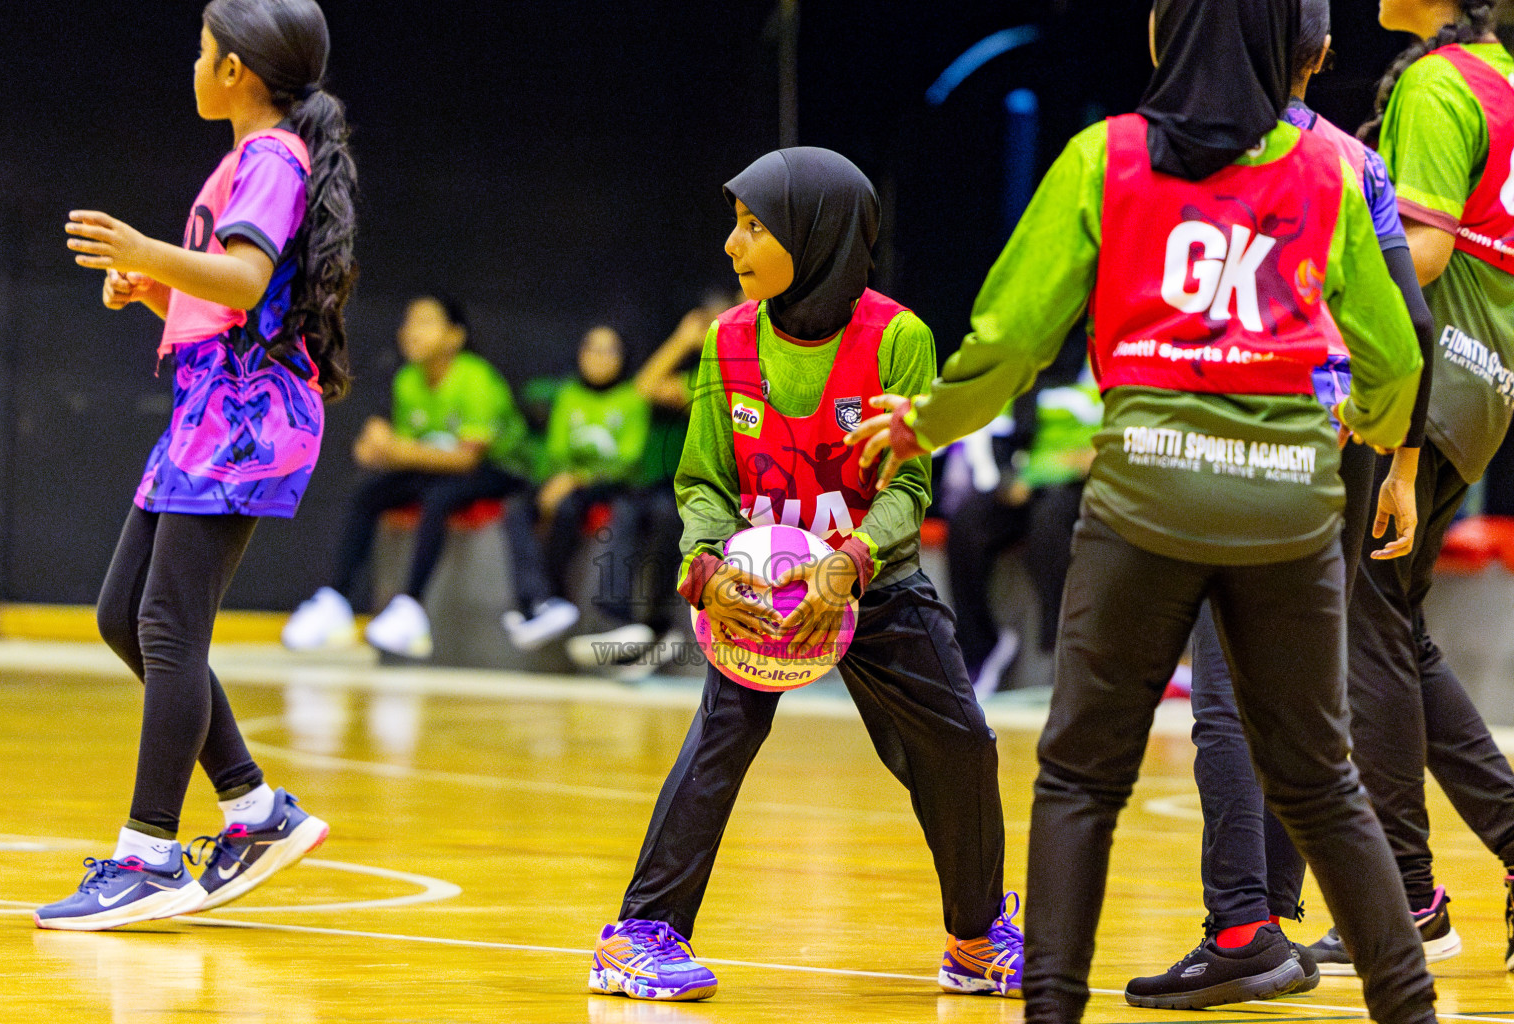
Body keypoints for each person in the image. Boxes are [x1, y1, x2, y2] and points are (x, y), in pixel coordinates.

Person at [850, 1, 1439, 1022]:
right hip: (1288, 516)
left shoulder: (1103, 158)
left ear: (1166, 40)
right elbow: (1395, 366)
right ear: (1287, 52)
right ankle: (1410, 1009)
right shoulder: (1332, 173)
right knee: (1321, 782)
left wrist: (930, 423)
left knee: (1080, 778)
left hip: (1142, 506)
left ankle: (1050, 1010)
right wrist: (1379, 432)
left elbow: (1010, 338)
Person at [588, 148, 1021, 1004]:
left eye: (754, 226)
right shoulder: (727, 340)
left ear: (819, 236)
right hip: (762, 587)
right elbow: (705, 480)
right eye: (736, 223)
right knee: (721, 739)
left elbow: (908, 483)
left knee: (961, 746)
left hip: (875, 578)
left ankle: (974, 939)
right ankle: (638, 937)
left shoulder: (898, 338)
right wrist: (705, 565)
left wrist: (853, 561)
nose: (731, 244)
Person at [1124, 0, 1444, 1006]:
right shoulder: (1357, 160)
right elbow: (1410, 321)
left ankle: (1244, 926)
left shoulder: (1178, 154)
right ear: (1324, 52)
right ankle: (1281, 920)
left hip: (1243, 445)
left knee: (1224, 689)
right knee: (1306, 689)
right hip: (1346, 445)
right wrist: (1398, 463)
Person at [37, 0, 357, 930]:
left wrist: (149, 251)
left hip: (243, 422)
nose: (194, 63)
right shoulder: (245, 158)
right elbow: (230, 305)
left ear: (238, 73)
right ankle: (256, 811)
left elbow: (249, 279)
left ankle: (149, 853)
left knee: (169, 628)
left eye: (202, 50)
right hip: (209, 413)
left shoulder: (269, 159)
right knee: (123, 618)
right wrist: (155, 284)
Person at [1293, 0, 1514, 975]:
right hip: (1490, 377)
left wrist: (1302, 299)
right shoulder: (1502, 72)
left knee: (1367, 627)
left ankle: (1410, 897)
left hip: (1431, 378)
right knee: (1394, 627)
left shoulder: (1436, 80)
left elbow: (1417, 258)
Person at [282, 294, 527, 658]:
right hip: (435, 471)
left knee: (439, 497)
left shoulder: (476, 378)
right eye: (408, 322)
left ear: (454, 336)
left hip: (500, 470)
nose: (412, 331)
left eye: (426, 322)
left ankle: (411, 608)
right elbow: (406, 449)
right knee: (371, 494)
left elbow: (465, 462)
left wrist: (395, 450)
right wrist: (376, 452)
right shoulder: (407, 379)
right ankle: (337, 601)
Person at [566, 297, 731, 679]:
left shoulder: (725, 381)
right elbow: (644, 386)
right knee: (628, 510)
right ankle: (619, 621)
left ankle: (661, 627)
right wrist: (683, 339)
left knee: (667, 514)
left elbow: (648, 387)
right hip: (665, 485)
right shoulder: (694, 375)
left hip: (716, 491)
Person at [944, 329, 1099, 696]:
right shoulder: (1033, 377)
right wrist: (1007, 478)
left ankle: (1056, 650)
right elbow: (1006, 438)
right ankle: (980, 644)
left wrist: (1089, 460)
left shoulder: (1107, 375)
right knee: (968, 522)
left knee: (1049, 521)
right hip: (1030, 485)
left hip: (1082, 489)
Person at [502, 326, 650, 650]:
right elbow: (557, 450)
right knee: (516, 508)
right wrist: (561, 479)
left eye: (608, 350)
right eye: (591, 348)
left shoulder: (632, 398)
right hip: (565, 479)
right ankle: (537, 602)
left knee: (568, 506)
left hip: (609, 485)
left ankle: (559, 596)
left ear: (622, 358)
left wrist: (577, 478)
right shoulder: (569, 394)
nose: (598, 358)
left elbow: (627, 460)